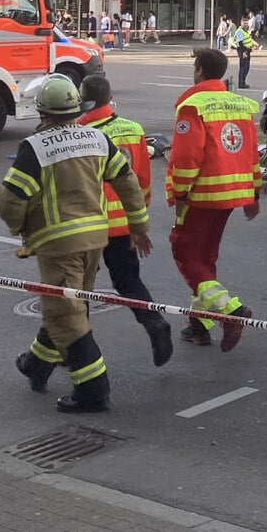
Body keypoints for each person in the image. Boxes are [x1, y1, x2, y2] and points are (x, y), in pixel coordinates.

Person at [0, 74, 151, 413]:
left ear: (42, 112)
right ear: (75, 107)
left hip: (58, 243)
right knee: (70, 305)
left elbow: (10, 200)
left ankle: (93, 390)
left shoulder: (35, 148)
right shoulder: (97, 138)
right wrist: (138, 225)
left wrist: (20, 228)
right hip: (96, 238)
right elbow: (128, 182)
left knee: (65, 313)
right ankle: (36, 364)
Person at [166, 48, 260, 351]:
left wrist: (180, 193)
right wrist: (253, 193)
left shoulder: (193, 106)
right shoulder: (242, 105)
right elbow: (251, 153)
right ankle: (199, 325)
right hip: (233, 193)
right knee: (205, 257)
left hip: (202, 193)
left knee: (186, 253)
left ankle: (231, 312)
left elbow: (185, 157)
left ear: (199, 70)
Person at [78, 75, 173, 367]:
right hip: (124, 223)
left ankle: (75, 349)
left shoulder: (80, 132)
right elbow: (141, 181)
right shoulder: (134, 130)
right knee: (128, 281)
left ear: (86, 99)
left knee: (77, 289)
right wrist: (138, 223)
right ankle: (153, 321)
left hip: (89, 224)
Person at [234, 17, 259, 89]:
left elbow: (248, 40)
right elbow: (240, 43)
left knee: (246, 67)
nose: (246, 24)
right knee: (243, 67)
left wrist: (252, 46)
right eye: (244, 23)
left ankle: (243, 82)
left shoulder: (245, 31)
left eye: (246, 23)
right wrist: (244, 52)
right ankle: (241, 83)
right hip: (242, 50)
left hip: (247, 50)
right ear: (241, 23)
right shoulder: (239, 31)